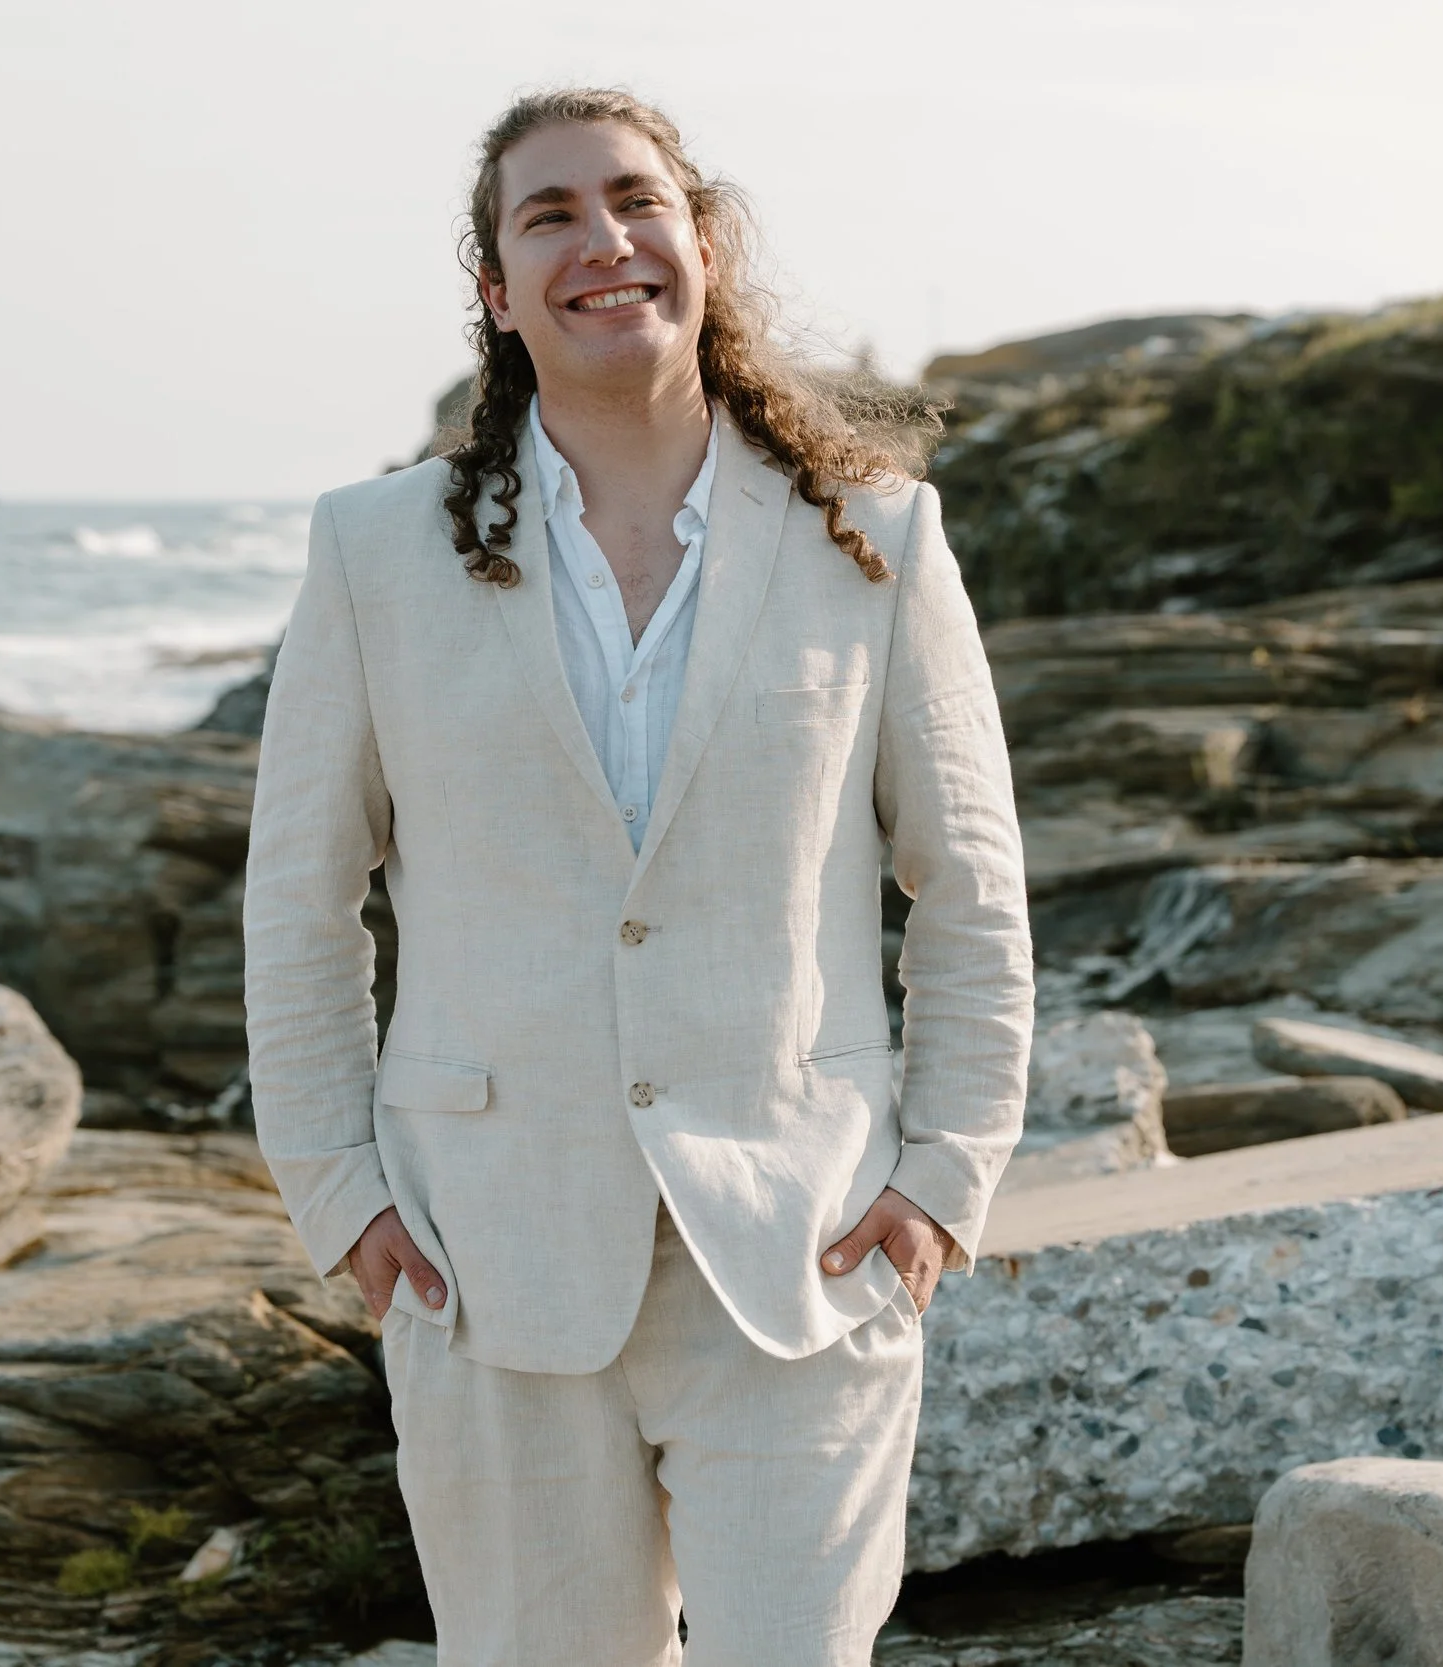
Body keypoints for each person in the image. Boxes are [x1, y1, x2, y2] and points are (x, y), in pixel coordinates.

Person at [242, 87, 1033, 1667]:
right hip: (486, 1253)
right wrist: (338, 1188)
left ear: (703, 242)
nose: (603, 241)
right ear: (498, 291)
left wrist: (943, 1174)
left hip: (801, 1254)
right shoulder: (374, 552)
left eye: (634, 201)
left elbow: (969, 886)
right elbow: (300, 898)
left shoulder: (874, 538)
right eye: (549, 217)